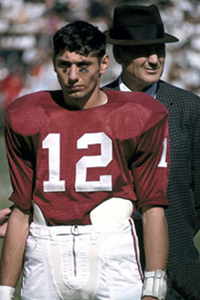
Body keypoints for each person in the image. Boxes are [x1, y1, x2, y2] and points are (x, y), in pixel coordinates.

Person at [0, 21, 169, 300]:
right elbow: (21, 210)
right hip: (44, 247)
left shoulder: (140, 114)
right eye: (64, 65)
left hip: (112, 249)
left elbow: (153, 205)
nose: (72, 76)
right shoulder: (25, 114)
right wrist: (5, 291)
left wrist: (154, 287)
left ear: (104, 63)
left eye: (83, 65)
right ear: (53, 62)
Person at [103, 4, 200, 300]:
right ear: (119, 54)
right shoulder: (95, 107)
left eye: (159, 50)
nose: (155, 59)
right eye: (143, 51)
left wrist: (176, 234)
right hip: (107, 265)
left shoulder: (189, 109)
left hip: (179, 268)